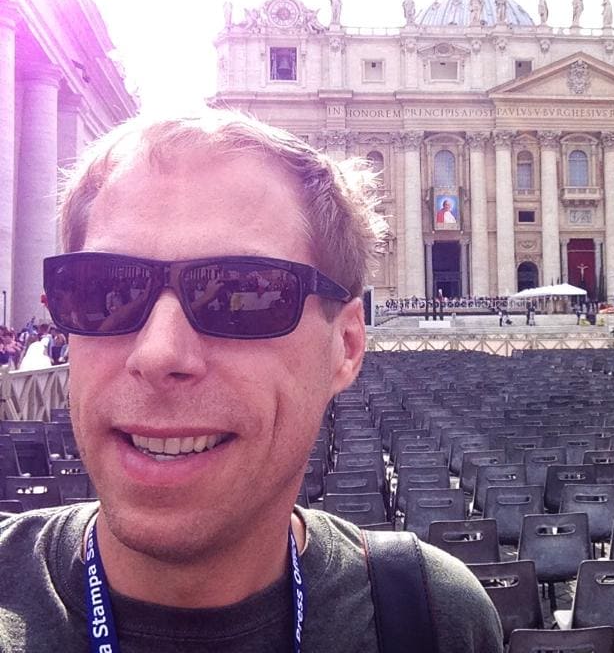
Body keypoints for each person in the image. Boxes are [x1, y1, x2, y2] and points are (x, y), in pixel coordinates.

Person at [0, 110, 502, 651]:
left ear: (347, 345)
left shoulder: (433, 617)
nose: (159, 353)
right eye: (103, 291)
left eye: (242, 294)